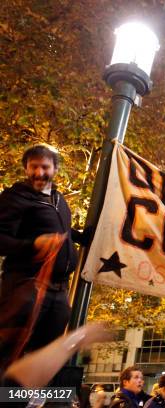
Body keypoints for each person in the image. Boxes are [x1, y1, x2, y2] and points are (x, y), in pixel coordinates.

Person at [0, 144, 90, 369]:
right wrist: (32, 245)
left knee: (43, 356)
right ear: (26, 169)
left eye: (45, 167)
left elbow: (63, 232)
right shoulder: (14, 198)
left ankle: (24, 401)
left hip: (59, 292)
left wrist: (81, 237)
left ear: (55, 168)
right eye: (34, 167)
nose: (39, 173)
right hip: (26, 287)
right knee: (13, 353)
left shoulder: (59, 200)